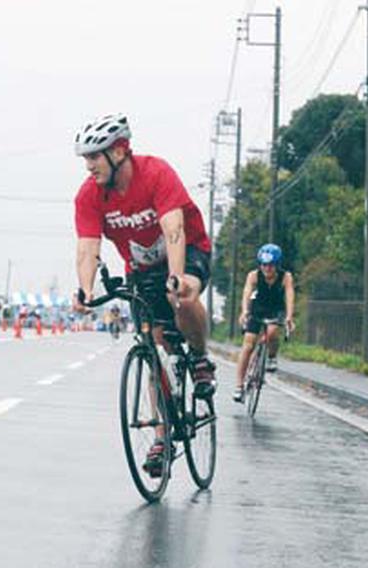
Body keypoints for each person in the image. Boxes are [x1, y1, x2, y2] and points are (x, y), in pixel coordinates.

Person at [72, 113, 215, 477]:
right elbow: (87, 249)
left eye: (94, 156)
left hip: (188, 250)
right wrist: (86, 291)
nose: (88, 166)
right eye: (85, 158)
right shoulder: (89, 195)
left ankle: (199, 358)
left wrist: (178, 277)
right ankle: (162, 437)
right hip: (142, 270)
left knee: (181, 297)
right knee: (153, 347)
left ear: (119, 151)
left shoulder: (156, 173)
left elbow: (174, 230)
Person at [233, 244, 296, 403]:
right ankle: (239, 386)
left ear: (277, 264)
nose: (267, 269)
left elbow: (289, 296)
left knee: (273, 332)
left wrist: (289, 316)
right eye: (263, 265)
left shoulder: (286, 277)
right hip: (257, 309)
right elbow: (247, 293)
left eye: (270, 265)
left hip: (276, 309)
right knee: (248, 345)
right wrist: (244, 311)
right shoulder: (253, 276)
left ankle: (271, 357)